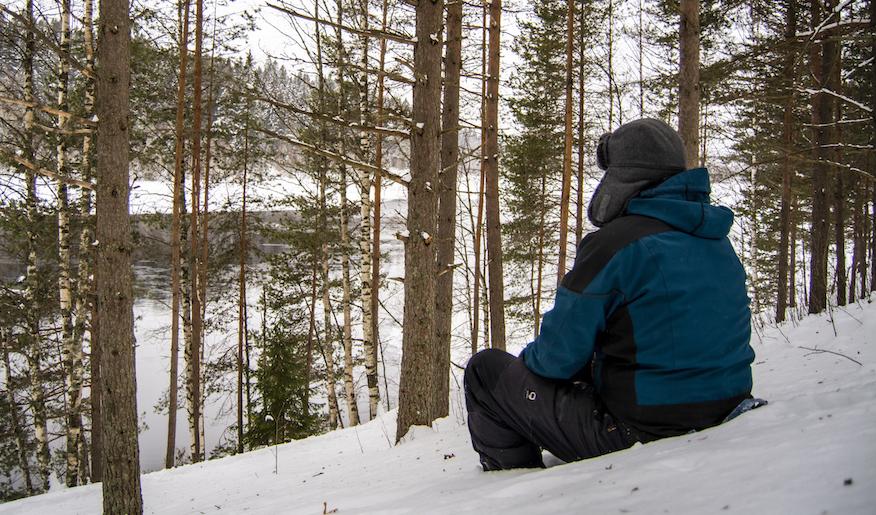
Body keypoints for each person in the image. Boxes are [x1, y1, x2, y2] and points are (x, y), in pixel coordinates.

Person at [464, 118, 756, 471]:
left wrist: (527, 374)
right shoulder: (715, 239)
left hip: (642, 430)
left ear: (624, 177)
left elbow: (555, 358)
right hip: (724, 408)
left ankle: (515, 483)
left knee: (486, 372)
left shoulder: (616, 244)